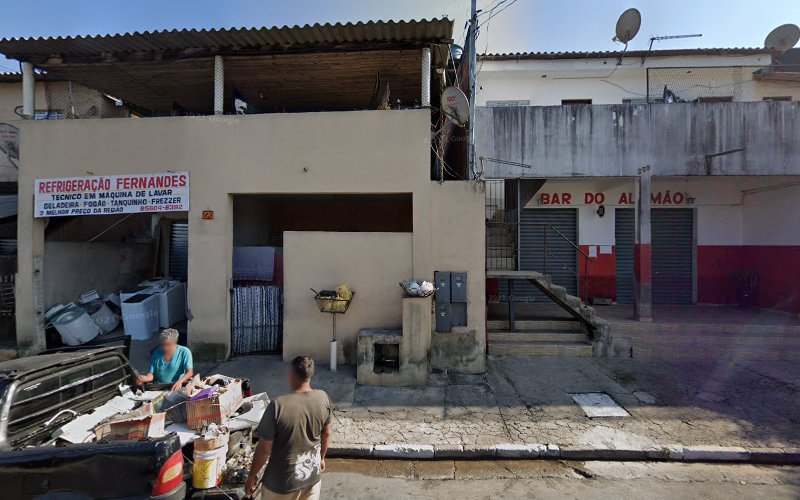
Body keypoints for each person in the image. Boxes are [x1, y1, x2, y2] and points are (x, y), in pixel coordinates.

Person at [245, 355, 332, 500]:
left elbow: (263, 450)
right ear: (311, 375)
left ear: (291, 375)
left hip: (280, 486)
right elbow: (327, 433)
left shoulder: (277, 406)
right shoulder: (323, 398)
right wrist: (321, 458)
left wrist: (252, 476)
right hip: (312, 480)